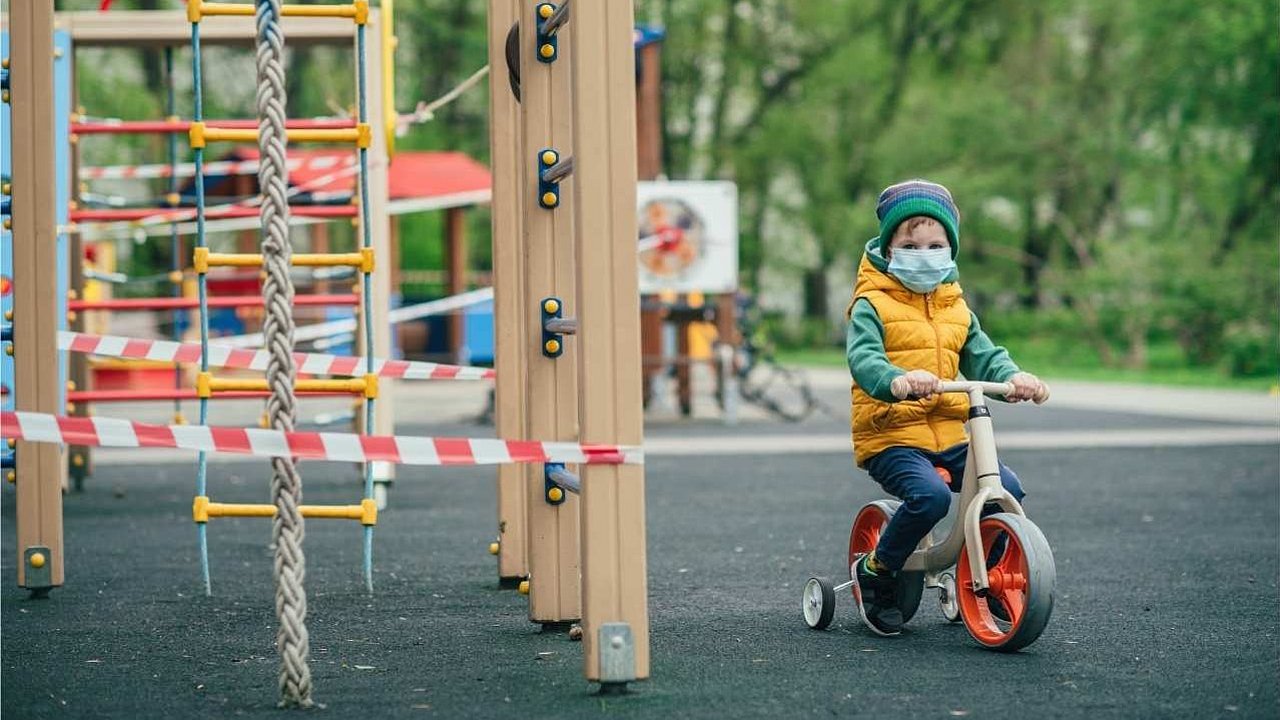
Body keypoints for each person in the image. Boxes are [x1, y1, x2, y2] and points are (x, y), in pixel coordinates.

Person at [845, 179, 1047, 636]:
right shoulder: (870, 303)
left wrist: (1013, 378)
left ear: (951, 250)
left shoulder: (957, 307)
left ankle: (982, 574)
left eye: (936, 244)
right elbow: (864, 359)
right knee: (930, 498)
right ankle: (878, 570)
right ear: (888, 247)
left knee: (1007, 488)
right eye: (911, 244)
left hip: (951, 432)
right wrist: (895, 380)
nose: (925, 252)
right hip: (892, 433)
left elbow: (985, 355)